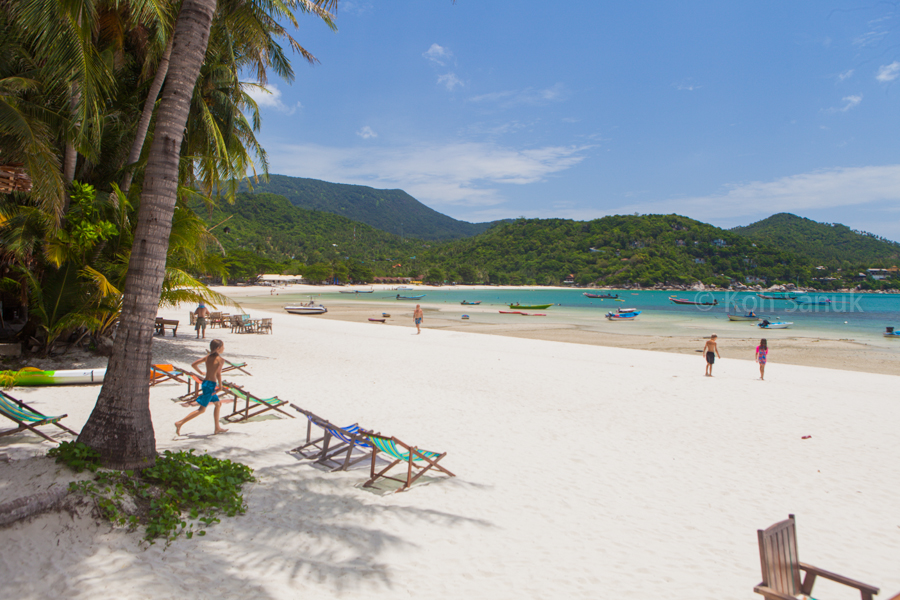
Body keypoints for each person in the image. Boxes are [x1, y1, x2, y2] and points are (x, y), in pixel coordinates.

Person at [175, 339, 228, 435]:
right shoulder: (220, 360)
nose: (224, 348)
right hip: (211, 385)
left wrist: (201, 372)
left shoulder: (207, 357)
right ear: (218, 348)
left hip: (205, 383)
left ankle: (217, 427)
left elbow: (193, 364)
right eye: (223, 347)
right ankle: (180, 423)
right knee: (201, 410)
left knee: (218, 404)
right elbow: (218, 374)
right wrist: (220, 386)